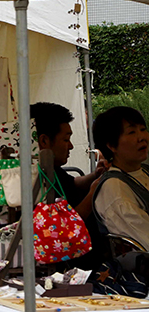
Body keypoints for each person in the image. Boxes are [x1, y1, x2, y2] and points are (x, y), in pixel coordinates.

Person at [30, 102, 108, 220]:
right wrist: (93, 193)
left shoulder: (52, 168)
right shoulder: (35, 180)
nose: (71, 146)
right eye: (66, 139)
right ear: (44, 141)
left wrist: (96, 174)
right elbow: (64, 224)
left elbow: (72, 183)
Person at [92, 106, 149, 248]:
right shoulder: (115, 189)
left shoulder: (144, 171)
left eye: (142, 129)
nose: (141, 137)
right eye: (131, 132)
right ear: (111, 145)